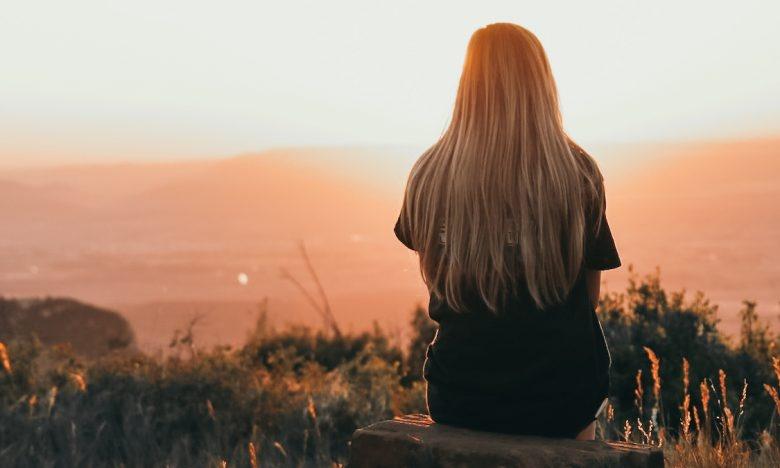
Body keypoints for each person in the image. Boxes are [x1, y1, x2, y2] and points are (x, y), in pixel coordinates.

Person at [393, 22, 621, 440]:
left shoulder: (428, 174)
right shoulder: (578, 174)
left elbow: (436, 278)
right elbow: (589, 298)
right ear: (541, 85)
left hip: (460, 395)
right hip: (561, 398)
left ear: (466, 85)